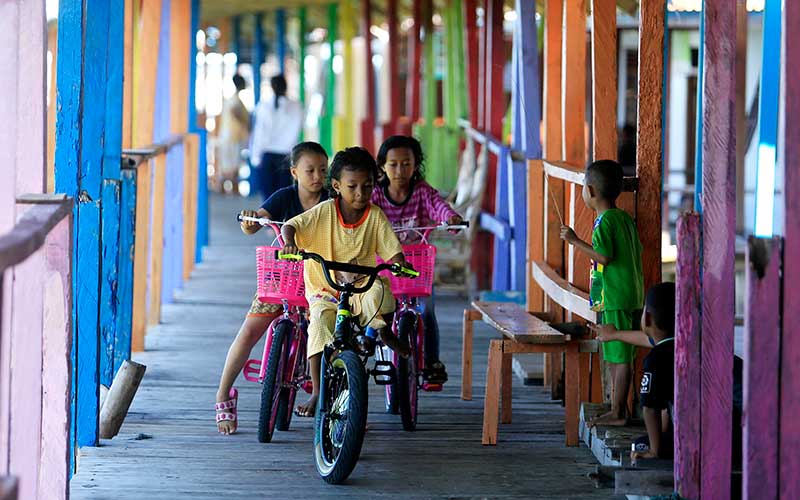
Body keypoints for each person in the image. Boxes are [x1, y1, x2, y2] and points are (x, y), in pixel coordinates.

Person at [281, 147, 411, 417]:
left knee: (379, 290)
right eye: (352, 187)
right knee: (318, 324)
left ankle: (380, 331)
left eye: (367, 186)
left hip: (359, 288)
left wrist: (399, 261)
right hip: (325, 289)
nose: (361, 194)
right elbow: (290, 225)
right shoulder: (324, 211)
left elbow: (391, 247)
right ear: (337, 185)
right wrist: (291, 244)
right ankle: (317, 390)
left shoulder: (375, 216)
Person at [215, 142, 329, 435]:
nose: (317, 176)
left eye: (322, 170)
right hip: (283, 278)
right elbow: (258, 221)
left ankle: (342, 403)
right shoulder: (285, 197)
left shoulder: (332, 201)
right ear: (294, 172)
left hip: (319, 280)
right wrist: (251, 221)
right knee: (249, 331)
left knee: (333, 335)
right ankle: (223, 393)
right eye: (310, 170)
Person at [371, 135, 463, 387]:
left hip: (418, 267)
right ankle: (365, 344)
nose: (399, 170)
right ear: (382, 166)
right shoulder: (376, 195)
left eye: (406, 163)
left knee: (427, 310)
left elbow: (439, 207)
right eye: (393, 164)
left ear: (415, 165)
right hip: (386, 267)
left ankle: (432, 362)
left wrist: (451, 219)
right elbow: (365, 215)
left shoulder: (422, 192)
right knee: (375, 307)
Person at [560, 159, 644, 427]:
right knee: (624, 356)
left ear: (592, 191)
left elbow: (605, 257)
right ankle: (620, 408)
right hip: (630, 294)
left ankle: (619, 412)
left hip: (616, 297)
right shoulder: (624, 219)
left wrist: (575, 241)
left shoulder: (604, 222)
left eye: (584, 188)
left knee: (620, 359)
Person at [593, 282, 675, 462]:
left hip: (692, 441)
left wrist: (654, 451)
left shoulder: (656, 359)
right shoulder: (684, 346)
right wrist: (615, 334)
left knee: (639, 445)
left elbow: (649, 409)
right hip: (722, 431)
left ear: (646, 318)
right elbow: (649, 339)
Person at [250, 74, 304, 200]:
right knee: (284, 199)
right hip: (287, 157)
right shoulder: (297, 107)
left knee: (268, 201)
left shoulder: (263, 106)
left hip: (267, 157)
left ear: (272, 87)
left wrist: (255, 157)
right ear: (286, 86)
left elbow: (259, 134)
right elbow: (299, 130)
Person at [216, 74, 250, 193]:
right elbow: (234, 112)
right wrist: (246, 124)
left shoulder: (233, 99)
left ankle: (226, 190)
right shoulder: (235, 100)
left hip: (229, 136)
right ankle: (231, 190)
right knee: (232, 164)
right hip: (232, 137)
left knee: (228, 164)